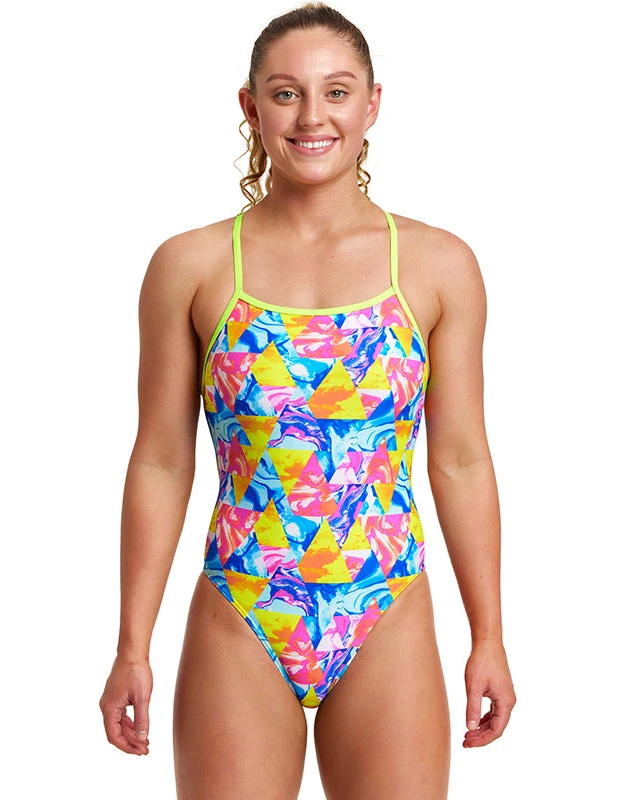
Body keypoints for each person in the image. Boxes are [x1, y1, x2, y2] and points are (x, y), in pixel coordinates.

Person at [99, 2, 515, 797]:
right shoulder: (190, 266)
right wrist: (131, 646)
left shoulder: (437, 266)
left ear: (372, 104)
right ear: (251, 106)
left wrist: (489, 635)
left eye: (337, 91)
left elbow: (462, 459)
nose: (312, 116)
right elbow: (159, 461)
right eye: (286, 93)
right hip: (242, 605)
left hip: (385, 603)